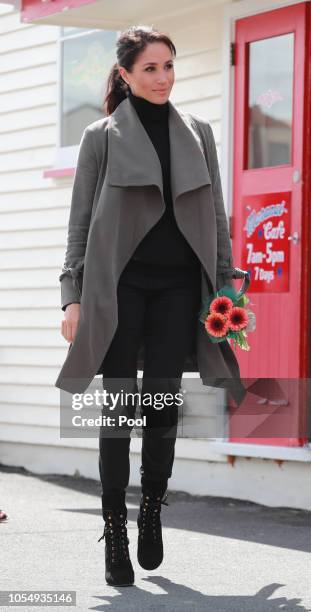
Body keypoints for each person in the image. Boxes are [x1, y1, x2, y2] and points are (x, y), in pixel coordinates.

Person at [59, 25, 237, 587]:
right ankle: (114, 529)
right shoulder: (101, 136)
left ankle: (151, 510)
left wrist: (228, 290)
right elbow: (81, 225)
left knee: (161, 412)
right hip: (117, 291)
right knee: (118, 413)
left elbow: (216, 219)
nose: (163, 78)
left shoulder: (199, 133)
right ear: (126, 75)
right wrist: (72, 298)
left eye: (169, 66)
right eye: (151, 68)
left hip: (179, 291)